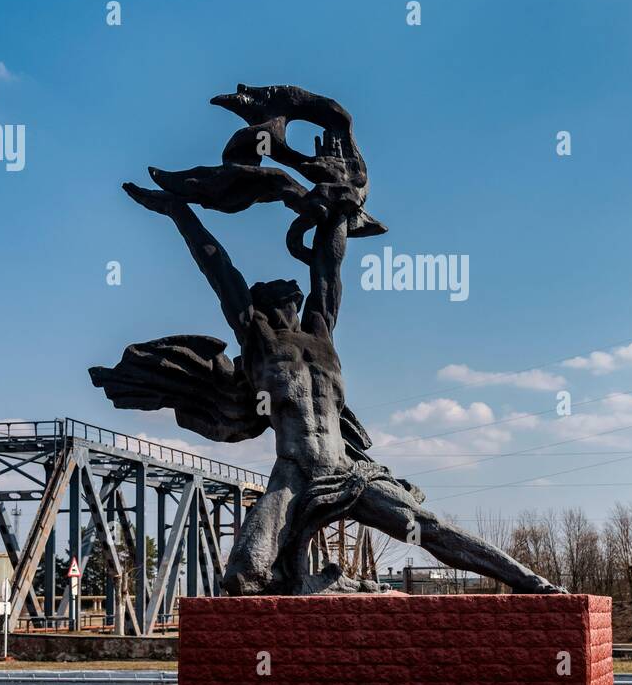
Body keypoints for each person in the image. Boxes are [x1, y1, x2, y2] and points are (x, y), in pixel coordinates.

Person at [92, 86, 562, 596]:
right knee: (244, 576)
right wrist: (180, 213)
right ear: (269, 304)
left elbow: (328, 269)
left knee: (428, 528)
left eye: (296, 293)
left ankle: (530, 582)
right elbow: (218, 267)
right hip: (293, 474)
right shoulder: (259, 339)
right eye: (284, 294)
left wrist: (340, 209)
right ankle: (294, 612)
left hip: (345, 470)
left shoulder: (320, 336)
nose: (294, 295)